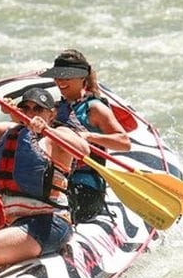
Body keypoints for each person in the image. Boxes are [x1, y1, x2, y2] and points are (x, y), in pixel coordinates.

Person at [0, 74, 90, 275]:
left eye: (38, 109)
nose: (31, 113)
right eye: (26, 108)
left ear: (51, 114)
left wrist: (47, 129)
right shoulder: (10, 131)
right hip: (16, 223)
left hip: (49, 223)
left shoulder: (57, 137)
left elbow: (84, 150)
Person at [40, 50, 131, 223]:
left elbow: (124, 142)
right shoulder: (56, 108)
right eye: (57, 77)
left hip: (86, 186)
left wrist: (89, 137)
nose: (60, 82)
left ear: (83, 77)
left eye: (66, 77)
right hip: (58, 180)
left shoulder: (95, 108)